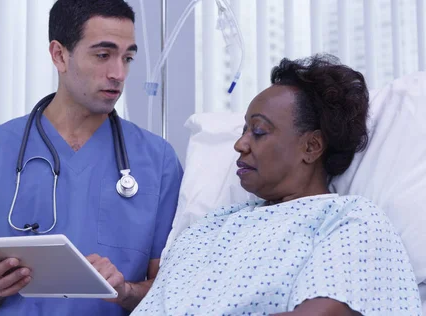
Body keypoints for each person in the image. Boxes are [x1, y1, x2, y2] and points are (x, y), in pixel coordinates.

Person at [131, 54, 423, 315]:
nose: (239, 144)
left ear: (311, 146)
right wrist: (127, 293)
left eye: (258, 131)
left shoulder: (349, 219)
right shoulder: (212, 224)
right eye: (244, 130)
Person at [0, 0, 183, 315]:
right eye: (103, 55)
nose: (118, 73)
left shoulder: (158, 160)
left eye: (128, 57)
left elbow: (172, 292)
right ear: (59, 54)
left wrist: (124, 291)